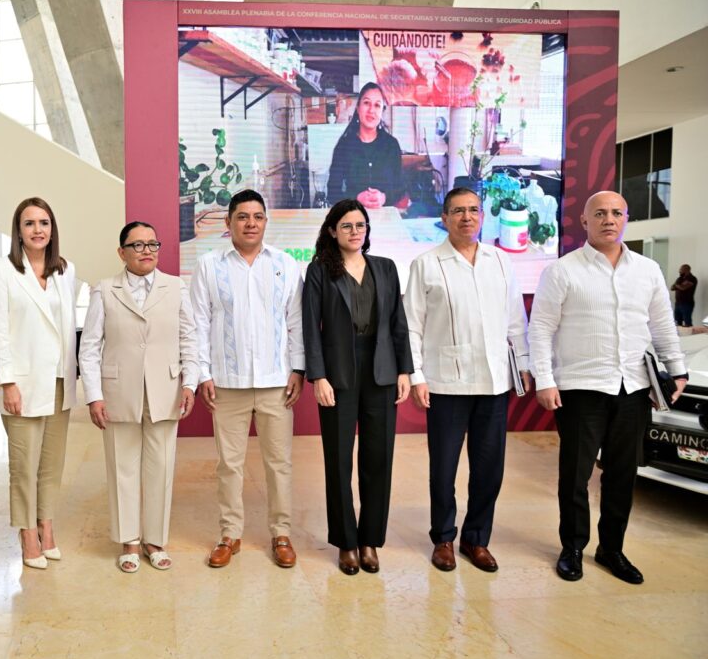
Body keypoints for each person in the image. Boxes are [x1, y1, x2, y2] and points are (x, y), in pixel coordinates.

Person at [529, 191, 687, 585]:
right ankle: (572, 548)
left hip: (634, 388)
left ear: (626, 219)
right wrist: (545, 379)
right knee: (575, 475)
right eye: (599, 213)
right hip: (580, 388)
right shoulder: (562, 270)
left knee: (622, 474)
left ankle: (611, 549)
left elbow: (662, 324)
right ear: (585, 221)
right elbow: (541, 328)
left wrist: (677, 370)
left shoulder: (647, 270)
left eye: (617, 213)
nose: (609, 220)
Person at [403, 187, 530, 573]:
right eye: (458, 211)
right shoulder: (426, 264)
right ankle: (443, 538)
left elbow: (515, 319)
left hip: (494, 382)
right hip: (445, 384)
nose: (467, 217)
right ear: (444, 219)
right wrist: (417, 376)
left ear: (483, 216)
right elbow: (412, 326)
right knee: (443, 468)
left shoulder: (500, 261)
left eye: (473, 210)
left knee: (489, 468)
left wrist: (524, 363)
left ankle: (476, 539)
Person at [190, 189, 305, 569]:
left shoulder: (285, 264)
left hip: (276, 383)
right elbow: (198, 322)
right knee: (229, 465)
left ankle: (281, 533)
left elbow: (295, 322)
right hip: (227, 383)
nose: (250, 223)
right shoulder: (209, 265)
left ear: (266, 222)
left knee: (279, 464)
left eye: (257, 217)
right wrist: (203, 373)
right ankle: (229, 534)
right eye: (242, 217)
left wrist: (298, 369)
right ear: (228, 223)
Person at [79, 221, 198, 573]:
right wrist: (93, 395)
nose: (147, 251)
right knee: (123, 466)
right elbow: (89, 348)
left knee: (161, 466)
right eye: (137, 245)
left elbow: (189, 338)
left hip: (166, 389)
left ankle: (155, 540)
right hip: (119, 391)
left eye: (152, 244)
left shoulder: (176, 287)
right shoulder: (104, 290)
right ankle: (129, 540)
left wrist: (190, 383)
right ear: (122, 252)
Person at [303, 199, 413, 575]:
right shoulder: (320, 271)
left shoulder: (385, 267)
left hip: (381, 371)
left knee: (378, 459)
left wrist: (405, 370)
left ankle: (370, 541)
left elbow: (398, 322)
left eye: (360, 225)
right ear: (332, 231)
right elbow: (310, 328)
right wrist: (318, 376)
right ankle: (346, 542)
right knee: (339, 460)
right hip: (338, 375)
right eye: (347, 225)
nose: (355, 232)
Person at [0, 197, 77, 570]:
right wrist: (6, 382)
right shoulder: (2, 271)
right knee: (24, 465)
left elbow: (66, 327)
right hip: (21, 383)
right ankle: (26, 533)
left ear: (52, 229)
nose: (38, 229)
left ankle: (46, 526)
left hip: (59, 380)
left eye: (44, 222)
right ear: (18, 231)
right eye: (29, 223)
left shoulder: (65, 270)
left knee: (52, 464)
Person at [327, 82, 404, 209]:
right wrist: (356, 198)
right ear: (358, 108)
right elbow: (332, 192)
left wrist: (384, 197)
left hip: (384, 217)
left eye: (377, 105)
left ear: (382, 111)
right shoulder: (344, 146)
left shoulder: (391, 145)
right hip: (354, 214)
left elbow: (400, 188)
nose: (371, 110)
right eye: (367, 103)